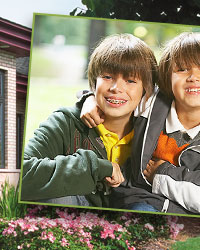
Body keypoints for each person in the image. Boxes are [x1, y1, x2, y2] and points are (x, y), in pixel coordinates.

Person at [81, 32, 200, 218]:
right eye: (182, 69)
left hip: (199, 219)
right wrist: (89, 99)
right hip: (142, 202)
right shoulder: (152, 105)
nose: (193, 76)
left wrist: (162, 173)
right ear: (167, 80)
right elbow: (118, 94)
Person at [21, 33, 158, 208]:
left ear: (146, 91)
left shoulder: (154, 131)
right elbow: (22, 174)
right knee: (58, 198)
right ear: (94, 82)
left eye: (131, 80)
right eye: (108, 77)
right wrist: (94, 167)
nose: (117, 88)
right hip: (74, 223)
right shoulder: (65, 123)